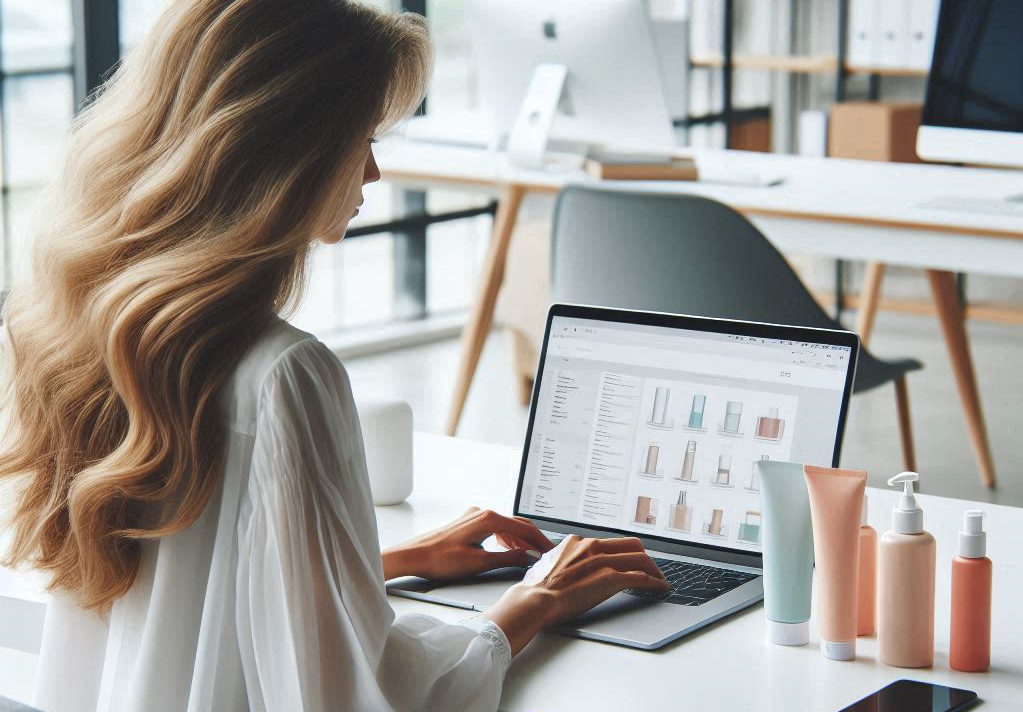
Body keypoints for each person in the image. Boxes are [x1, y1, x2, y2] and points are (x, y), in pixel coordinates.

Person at [0, 2, 668, 711]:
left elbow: (192, 592)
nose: (374, 173)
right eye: (362, 138)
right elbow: (354, 695)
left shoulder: (94, 328)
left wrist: (372, 564)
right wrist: (535, 600)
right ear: (288, 151)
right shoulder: (284, 374)